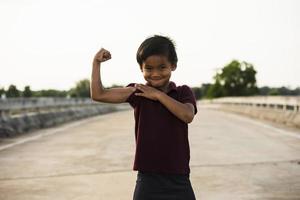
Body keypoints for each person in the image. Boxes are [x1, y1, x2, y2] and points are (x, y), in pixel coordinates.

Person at [91, 35, 197, 200]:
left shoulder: (183, 92)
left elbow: (187, 115)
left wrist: (157, 95)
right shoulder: (138, 92)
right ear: (141, 68)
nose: (155, 74)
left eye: (162, 67)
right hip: (148, 179)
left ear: (173, 65)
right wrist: (96, 63)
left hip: (179, 178)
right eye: (149, 68)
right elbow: (99, 94)